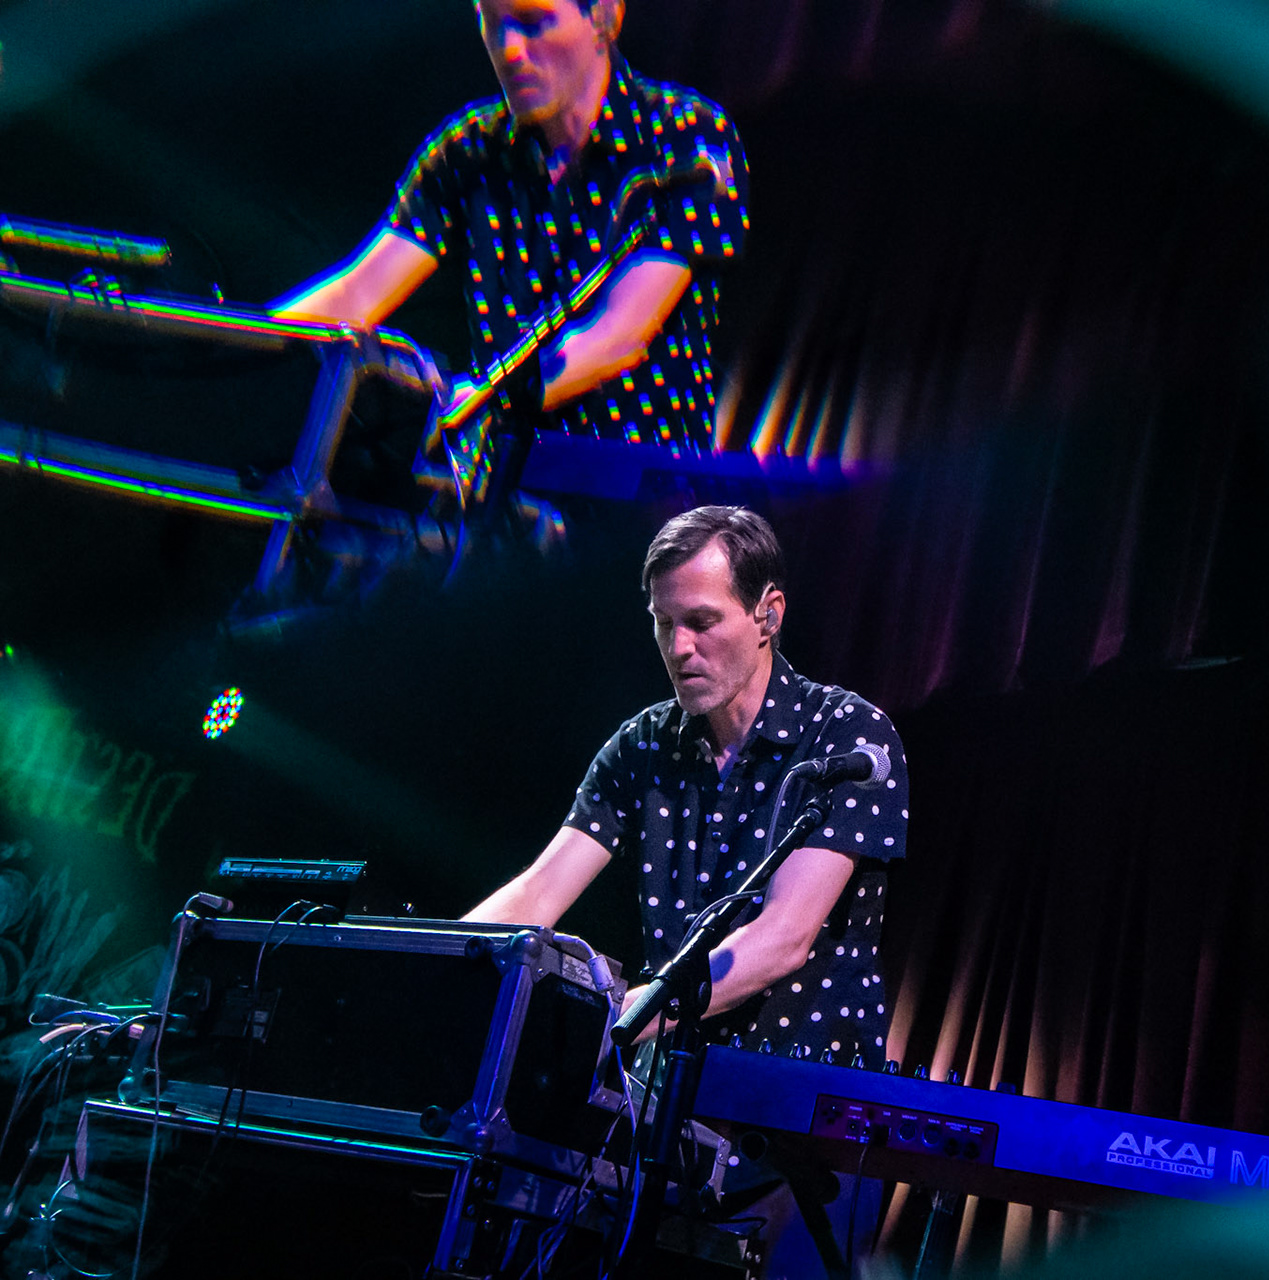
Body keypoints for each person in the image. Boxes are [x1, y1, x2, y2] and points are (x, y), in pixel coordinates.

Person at [465, 505, 908, 1062]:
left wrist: (606, 1023)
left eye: (701, 622)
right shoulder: (644, 743)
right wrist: (427, 963)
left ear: (768, 616)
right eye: (664, 622)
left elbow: (782, 939)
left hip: (795, 1087)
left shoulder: (845, 736)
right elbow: (538, 891)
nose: (678, 648)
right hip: (662, 1079)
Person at [273, 0, 746, 458]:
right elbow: (357, 295)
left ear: (603, 15)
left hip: (637, 488)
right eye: (493, 24)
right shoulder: (469, 151)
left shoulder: (685, 137)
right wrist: (242, 342)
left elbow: (617, 336)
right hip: (498, 484)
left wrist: (479, 401)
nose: (510, 50)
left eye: (533, 21)